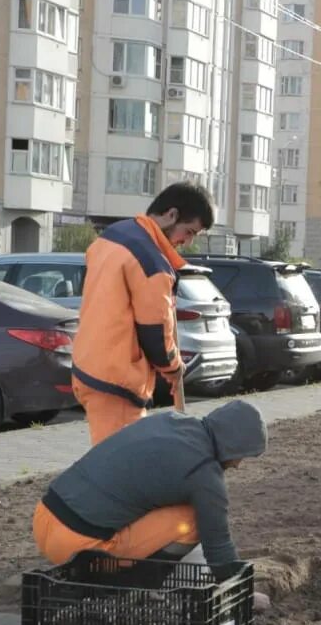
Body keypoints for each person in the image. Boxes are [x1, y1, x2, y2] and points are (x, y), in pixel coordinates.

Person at [32, 400, 271, 608]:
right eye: (242, 455)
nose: (238, 464)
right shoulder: (204, 474)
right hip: (79, 547)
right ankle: (131, 588)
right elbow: (218, 546)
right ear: (233, 444)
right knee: (192, 519)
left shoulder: (170, 420)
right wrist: (243, 592)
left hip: (44, 518)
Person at [72, 182, 215, 445]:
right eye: (189, 231)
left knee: (111, 458)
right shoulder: (152, 262)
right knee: (120, 465)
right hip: (116, 378)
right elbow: (155, 332)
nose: (187, 241)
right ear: (171, 215)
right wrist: (173, 368)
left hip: (89, 365)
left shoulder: (112, 237)